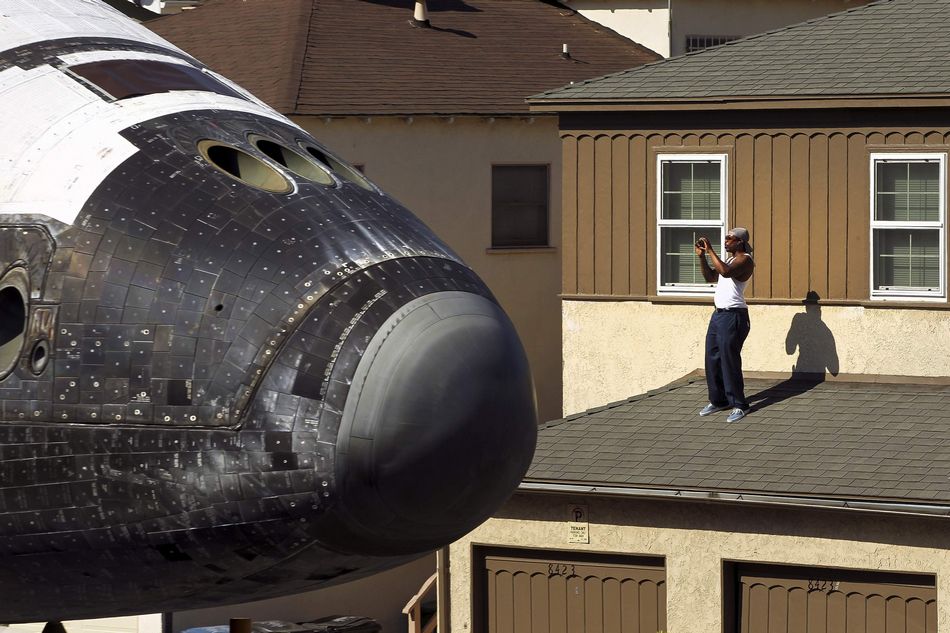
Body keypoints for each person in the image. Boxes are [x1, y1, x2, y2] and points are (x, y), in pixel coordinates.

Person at [695, 228, 755, 422]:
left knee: (729, 361)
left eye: (730, 238)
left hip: (734, 316)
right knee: (712, 358)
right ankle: (719, 400)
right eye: (726, 238)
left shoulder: (745, 260)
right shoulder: (729, 260)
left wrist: (711, 250)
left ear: (740, 242)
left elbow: (726, 273)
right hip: (718, 315)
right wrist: (702, 257)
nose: (726, 241)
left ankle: (740, 405)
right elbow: (710, 277)